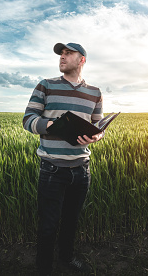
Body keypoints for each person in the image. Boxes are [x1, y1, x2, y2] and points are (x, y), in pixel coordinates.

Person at [23, 42, 104, 275]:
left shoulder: (95, 92)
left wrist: (96, 137)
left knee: (71, 221)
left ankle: (66, 259)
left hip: (82, 169)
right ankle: (44, 268)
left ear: (82, 60)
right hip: (52, 169)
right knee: (48, 224)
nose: (62, 56)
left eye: (69, 53)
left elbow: (97, 126)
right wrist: (54, 126)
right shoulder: (46, 85)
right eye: (61, 53)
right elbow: (28, 119)